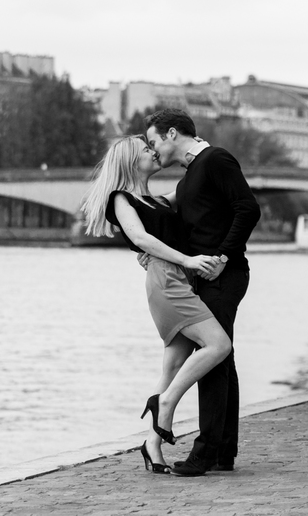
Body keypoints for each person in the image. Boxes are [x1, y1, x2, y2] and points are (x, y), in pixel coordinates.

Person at [81, 134, 232, 475]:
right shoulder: (121, 199)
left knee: (173, 366)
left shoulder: (159, 201)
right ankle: (165, 403)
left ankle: (152, 444)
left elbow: (196, 183)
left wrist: (197, 150)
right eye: (146, 150)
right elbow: (141, 238)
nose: (154, 152)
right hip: (168, 281)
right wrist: (188, 260)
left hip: (179, 278)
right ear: (131, 161)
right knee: (219, 344)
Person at [145, 108, 260, 476]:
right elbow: (180, 217)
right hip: (210, 276)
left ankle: (205, 452)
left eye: (153, 142)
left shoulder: (215, 159)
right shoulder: (193, 174)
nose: (154, 151)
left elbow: (249, 209)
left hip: (224, 275)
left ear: (172, 133)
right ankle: (223, 450)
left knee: (213, 357)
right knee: (221, 359)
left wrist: (224, 255)